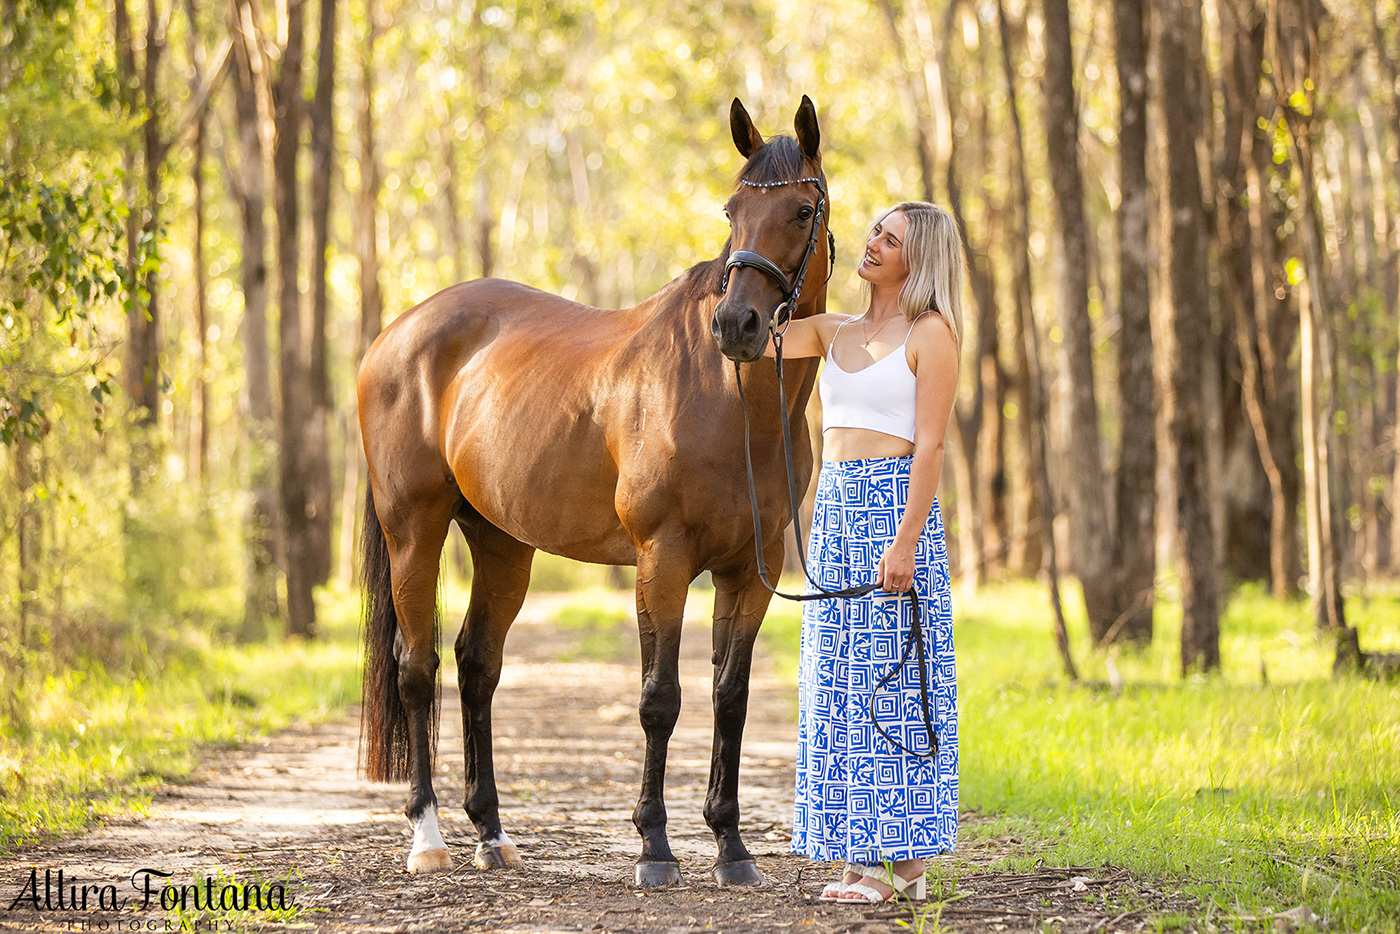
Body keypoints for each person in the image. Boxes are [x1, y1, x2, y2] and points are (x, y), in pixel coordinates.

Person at [769, 201, 963, 904]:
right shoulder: (833, 330)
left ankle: (883, 862)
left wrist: (907, 538)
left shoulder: (931, 334)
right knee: (838, 686)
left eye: (892, 238)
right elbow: (751, 338)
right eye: (875, 231)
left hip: (891, 512)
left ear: (921, 259)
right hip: (835, 512)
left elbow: (931, 444)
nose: (874, 243)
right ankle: (888, 860)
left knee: (893, 684)